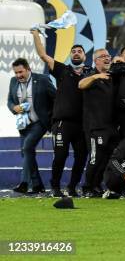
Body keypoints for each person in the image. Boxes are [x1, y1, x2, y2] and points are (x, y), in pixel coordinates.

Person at [31, 29, 89, 197]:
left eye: (80, 51)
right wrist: (36, 35)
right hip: (62, 123)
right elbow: (43, 55)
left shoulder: (90, 73)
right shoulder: (62, 69)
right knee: (61, 156)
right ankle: (55, 186)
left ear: (85, 56)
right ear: (70, 55)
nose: (76, 53)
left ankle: (72, 187)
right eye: (74, 51)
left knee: (81, 157)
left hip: (82, 124)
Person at [78, 49, 125, 197]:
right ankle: (87, 187)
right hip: (95, 126)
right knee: (95, 158)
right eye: (103, 56)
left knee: (106, 158)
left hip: (110, 127)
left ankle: (97, 185)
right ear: (96, 60)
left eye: (108, 56)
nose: (107, 59)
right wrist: (96, 76)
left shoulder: (111, 76)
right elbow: (80, 84)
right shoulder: (91, 74)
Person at [7, 58, 56, 195]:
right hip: (23, 124)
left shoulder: (42, 79)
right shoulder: (13, 81)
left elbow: (55, 97)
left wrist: (52, 117)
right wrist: (14, 107)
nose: (18, 75)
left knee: (27, 147)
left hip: (40, 122)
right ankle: (37, 185)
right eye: (16, 73)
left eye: (20, 72)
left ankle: (24, 183)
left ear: (28, 69)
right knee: (27, 152)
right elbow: (10, 100)